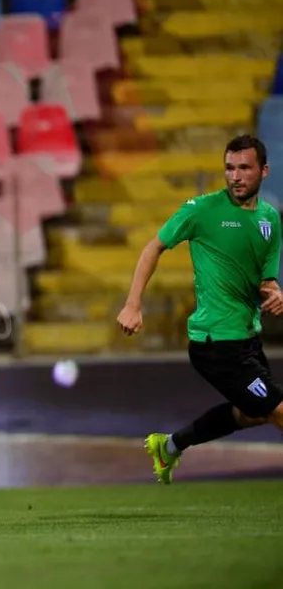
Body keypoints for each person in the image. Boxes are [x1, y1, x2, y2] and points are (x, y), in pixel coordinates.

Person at [117, 134, 283, 484]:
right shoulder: (201, 210)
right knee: (279, 411)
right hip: (215, 344)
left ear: (264, 171)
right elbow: (153, 247)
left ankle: (169, 446)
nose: (235, 176)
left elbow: (266, 282)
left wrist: (276, 293)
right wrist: (133, 304)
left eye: (244, 168)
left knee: (255, 414)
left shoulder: (270, 219)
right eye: (229, 168)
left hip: (247, 340)